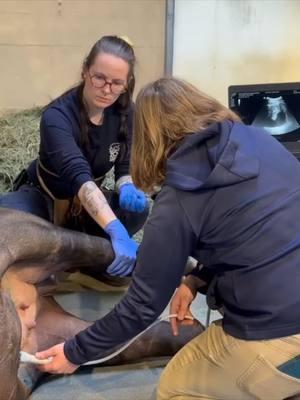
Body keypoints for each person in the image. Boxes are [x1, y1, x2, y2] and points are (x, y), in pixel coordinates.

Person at [35, 77, 300, 400]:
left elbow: (143, 305)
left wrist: (76, 352)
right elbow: (256, 229)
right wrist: (196, 279)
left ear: (146, 138)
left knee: (174, 387)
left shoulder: (178, 200)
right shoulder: (261, 140)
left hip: (277, 336)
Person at [0, 35, 148, 278]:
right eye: (99, 77)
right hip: (47, 198)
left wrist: (127, 186)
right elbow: (78, 175)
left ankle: (91, 263)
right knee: (9, 218)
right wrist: (114, 229)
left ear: (127, 83)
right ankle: (76, 254)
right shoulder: (57, 116)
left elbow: (123, 167)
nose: (106, 89)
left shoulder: (125, 111)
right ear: (85, 71)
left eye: (116, 83)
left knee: (138, 211)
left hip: (85, 210)